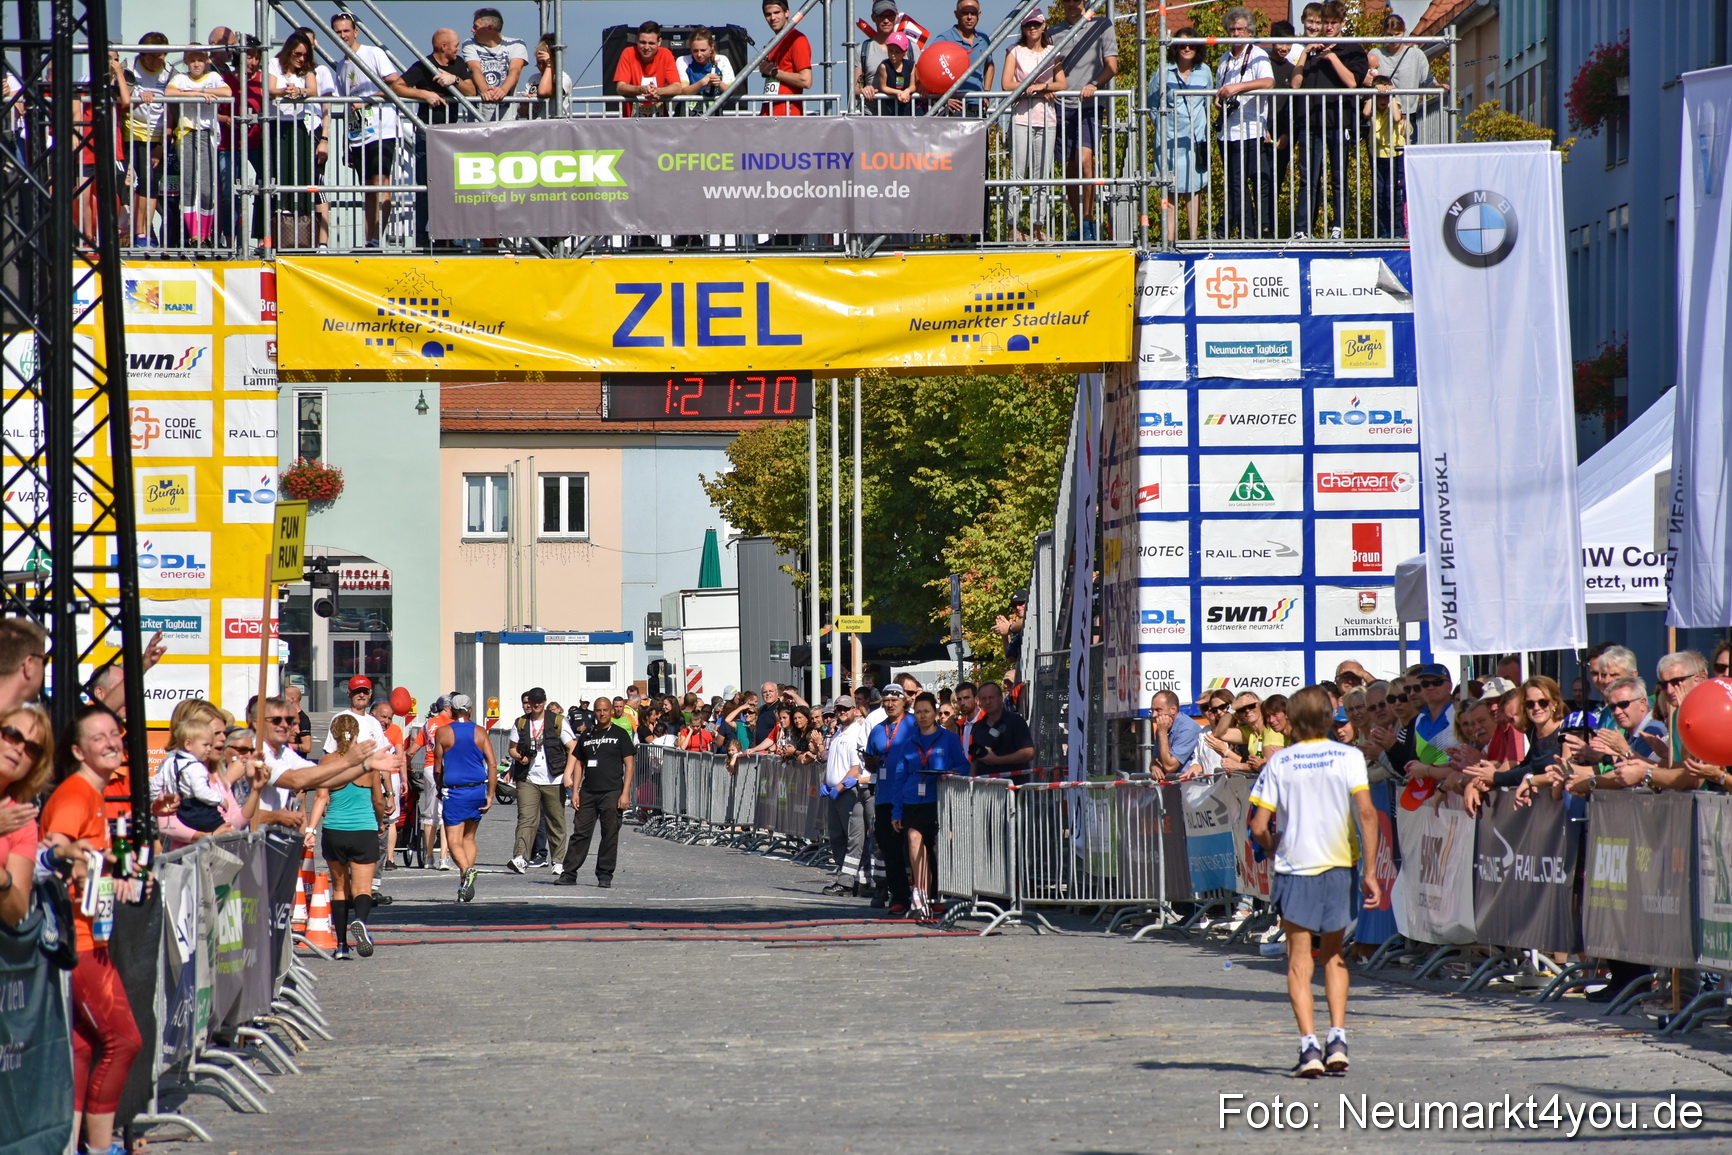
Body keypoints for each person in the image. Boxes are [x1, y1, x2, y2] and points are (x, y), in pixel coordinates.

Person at [1247, 686, 1381, 1078]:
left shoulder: (1280, 762)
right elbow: (1368, 813)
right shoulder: (1349, 756)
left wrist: (1273, 846)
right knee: (1335, 955)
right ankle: (1337, 1038)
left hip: (1296, 866)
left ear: (1292, 719)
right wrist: (1371, 871)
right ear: (1328, 717)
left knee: (1299, 960)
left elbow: (1257, 826)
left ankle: (1309, 1047)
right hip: (1339, 864)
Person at [41, 706, 146, 1155]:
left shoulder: (94, 795)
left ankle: (73, 1144)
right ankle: (99, 1150)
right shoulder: (75, 793)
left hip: (92, 936)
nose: (111, 742)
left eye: (114, 734)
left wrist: (111, 871)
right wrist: (87, 862)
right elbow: (56, 847)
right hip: (76, 942)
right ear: (77, 750)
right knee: (124, 1040)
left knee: (84, 1048)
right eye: (98, 737)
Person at [311, 715, 388, 958]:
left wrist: (310, 828)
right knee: (363, 887)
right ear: (357, 734)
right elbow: (378, 799)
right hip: (363, 829)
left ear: (333, 735)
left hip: (334, 829)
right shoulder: (368, 762)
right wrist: (381, 822)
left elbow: (321, 797)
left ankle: (341, 946)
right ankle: (362, 922)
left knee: (339, 889)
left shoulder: (326, 761)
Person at [1290, 0, 1368, 238]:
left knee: (1338, 176)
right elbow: (1295, 84)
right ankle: (1303, 229)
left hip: (1339, 122)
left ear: (1343, 23)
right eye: (1325, 22)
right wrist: (1305, 53)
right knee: (1308, 179)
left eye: (1333, 22)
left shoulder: (1353, 49)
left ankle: (1338, 227)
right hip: (1311, 122)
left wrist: (1332, 57)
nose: (1328, 27)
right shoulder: (1312, 48)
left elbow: (1352, 81)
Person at [330, 12, 402, 249]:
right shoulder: (341, 65)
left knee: (381, 181)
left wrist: (369, 100)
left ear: (355, 32)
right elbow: (345, 104)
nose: (343, 36)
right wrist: (345, 145)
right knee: (367, 188)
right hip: (357, 133)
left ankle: (376, 238)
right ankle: (369, 240)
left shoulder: (373, 53)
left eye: (346, 31)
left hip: (381, 128)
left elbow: (395, 82)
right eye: (338, 32)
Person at [893, 692, 967, 920]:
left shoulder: (949, 739)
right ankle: (921, 892)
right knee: (915, 841)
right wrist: (896, 810)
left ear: (935, 714)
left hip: (937, 800)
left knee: (925, 844)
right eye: (918, 712)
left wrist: (953, 773)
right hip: (912, 800)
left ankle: (927, 894)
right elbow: (899, 776)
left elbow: (964, 765)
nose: (923, 716)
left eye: (927, 711)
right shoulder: (908, 741)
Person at [1051, 0, 1116, 239]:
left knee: (1085, 161)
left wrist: (1094, 84)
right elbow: (1049, 68)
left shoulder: (1102, 25)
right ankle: (1079, 225)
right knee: (1070, 168)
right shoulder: (1053, 32)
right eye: (1067, 0)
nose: (1071, 5)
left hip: (1089, 105)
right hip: (1061, 106)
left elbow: (1112, 66)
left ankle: (1088, 220)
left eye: (1076, 0)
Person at [400, 29, 471, 249]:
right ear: (444, 47)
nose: (458, 49)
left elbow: (471, 90)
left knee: (450, 186)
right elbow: (397, 86)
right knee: (425, 184)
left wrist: (455, 79)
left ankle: (446, 237)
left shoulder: (458, 64)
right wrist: (425, 94)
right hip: (427, 131)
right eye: (456, 45)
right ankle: (422, 237)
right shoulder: (423, 64)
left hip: (451, 135)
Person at [556, 696, 634, 888]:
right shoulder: (588, 735)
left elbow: (630, 765)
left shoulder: (620, 734)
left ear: (611, 711)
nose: (602, 713)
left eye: (605, 710)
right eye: (598, 710)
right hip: (588, 792)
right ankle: (569, 873)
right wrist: (575, 791)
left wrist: (625, 793)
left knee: (609, 834)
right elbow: (579, 763)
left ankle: (605, 875)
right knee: (580, 833)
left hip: (612, 791)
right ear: (594, 711)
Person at [1003, 12, 1065, 243]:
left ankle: (1038, 226)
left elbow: (1062, 83)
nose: (1032, 28)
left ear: (1043, 25)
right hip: (1021, 118)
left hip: (1047, 119)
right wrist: (1035, 87)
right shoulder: (1014, 51)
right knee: (1017, 175)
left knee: (1042, 176)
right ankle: (1012, 226)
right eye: (1028, 25)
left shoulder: (1053, 52)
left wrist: (1040, 87)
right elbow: (1007, 82)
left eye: (1036, 24)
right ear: (1023, 27)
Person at [1214, 7, 1275, 240]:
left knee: (1248, 183)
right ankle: (1244, 232)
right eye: (1232, 30)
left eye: (1240, 29)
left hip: (1250, 129)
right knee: (1234, 184)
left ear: (1249, 31)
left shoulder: (1258, 54)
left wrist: (1237, 88)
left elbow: (1269, 82)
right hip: (1228, 131)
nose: (1236, 34)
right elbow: (1221, 89)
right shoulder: (1225, 58)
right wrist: (1218, 99)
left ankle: (1243, 232)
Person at [166, 49, 230, 245]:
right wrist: (194, 93)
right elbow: (169, 92)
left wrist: (202, 92)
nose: (196, 64)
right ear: (186, 61)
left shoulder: (212, 77)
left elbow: (227, 92)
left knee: (207, 187)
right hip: (186, 133)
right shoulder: (181, 79)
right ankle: (194, 235)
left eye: (200, 60)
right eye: (192, 60)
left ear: (206, 61)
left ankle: (205, 234)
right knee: (188, 185)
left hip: (207, 134)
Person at [435, 694, 494, 902]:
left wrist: (439, 787)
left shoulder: (443, 732)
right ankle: (463, 886)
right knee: (469, 838)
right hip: (477, 790)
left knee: (453, 841)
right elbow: (492, 764)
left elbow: (437, 767)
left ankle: (467, 870)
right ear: (470, 710)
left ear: (451, 710)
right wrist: (491, 794)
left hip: (455, 790)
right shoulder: (480, 732)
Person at [1154, 27, 1211, 242]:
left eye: (1192, 43)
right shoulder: (1163, 71)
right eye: (1182, 44)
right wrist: (1164, 128)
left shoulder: (1204, 71)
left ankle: (1193, 240)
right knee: (1169, 189)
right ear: (1175, 47)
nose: (1187, 48)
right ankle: (1169, 242)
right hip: (1169, 140)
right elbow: (1152, 105)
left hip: (1195, 141)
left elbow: (1207, 104)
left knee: (1193, 189)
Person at [267, 32, 322, 249]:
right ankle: (277, 230)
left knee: (302, 174)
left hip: (299, 125)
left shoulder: (307, 69)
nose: (301, 59)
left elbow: (313, 90)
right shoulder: (273, 63)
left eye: (304, 55)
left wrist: (299, 90)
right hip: (278, 124)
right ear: (288, 51)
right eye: (297, 54)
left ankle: (304, 230)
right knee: (278, 173)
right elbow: (270, 89)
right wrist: (284, 90)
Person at [0, 705, 53, 929]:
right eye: (13, 735)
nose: (20, 748)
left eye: (32, 748)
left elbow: (16, 912)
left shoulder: (21, 821)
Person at [508, 688, 571, 874]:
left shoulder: (558, 721)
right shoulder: (521, 723)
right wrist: (519, 757)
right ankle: (520, 857)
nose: (535, 705)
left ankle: (558, 861)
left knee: (555, 821)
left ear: (544, 701)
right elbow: (512, 748)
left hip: (554, 778)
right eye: (531, 701)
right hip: (528, 778)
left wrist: (568, 774)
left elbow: (572, 746)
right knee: (526, 819)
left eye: (538, 701)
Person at [864, 683, 915, 911]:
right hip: (885, 796)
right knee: (889, 848)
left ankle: (922, 893)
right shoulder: (877, 730)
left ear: (904, 701)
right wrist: (870, 763)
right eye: (886, 700)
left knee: (915, 848)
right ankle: (899, 897)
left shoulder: (914, 724)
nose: (890, 704)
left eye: (895, 700)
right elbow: (870, 762)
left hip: (912, 796)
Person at [124, 32, 174, 247]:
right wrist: (138, 100)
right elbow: (122, 102)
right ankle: (140, 234)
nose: (156, 60)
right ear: (142, 54)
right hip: (133, 132)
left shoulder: (171, 72)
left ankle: (145, 233)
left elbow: (173, 112)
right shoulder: (130, 67)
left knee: (152, 183)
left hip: (159, 135)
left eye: (161, 55)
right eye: (152, 56)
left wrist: (162, 145)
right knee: (143, 181)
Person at [821, 695, 873, 897]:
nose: (842, 712)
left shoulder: (856, 734)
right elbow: (833, 763)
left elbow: (855, 768)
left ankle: (848, 882)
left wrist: (840, 787)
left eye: (845, 708)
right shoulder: (838, 734)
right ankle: (851, 878)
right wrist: (826, 783)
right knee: (837, 838)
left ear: (854, 710)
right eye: (838, 709)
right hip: (836, 793)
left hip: (849, 793)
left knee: (854, 839)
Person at [1361, 74, 1408, 238]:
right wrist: (1374, 93)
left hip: (1395, 154)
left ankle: (1397, 230)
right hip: (1377, 155)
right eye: (1380, 96)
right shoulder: (1372, 103)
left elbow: (1396, 117)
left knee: (1394, 193)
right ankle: (1382, 230)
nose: (1383, 99)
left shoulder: (1394, 104)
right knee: (1379, 194)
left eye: (1385, 97)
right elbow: (1366, 112)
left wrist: (1392, 95)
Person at [461, 6, 528, 120]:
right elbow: (474, 68)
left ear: (489, 28)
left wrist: (503, 90)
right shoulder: (469, 44)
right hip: (478, 121)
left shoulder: (517, 44)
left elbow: (515, 70)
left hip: (507, 121)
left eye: (475, 26)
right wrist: (485, 90)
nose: (472, 30)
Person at [929, 1, 994, 115]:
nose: (969, 17)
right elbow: (928, 69)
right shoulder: (944, 38)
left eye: (973, 13)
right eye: (965, 13)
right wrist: (942, 99)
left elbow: (990, 65)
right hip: (954, 109)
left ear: (979, 14)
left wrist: (986, 93)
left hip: (977, 106)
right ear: (956, 14)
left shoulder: (984, 39)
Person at [968, 681, 1035, 778]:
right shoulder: (978, 727)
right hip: (985, 790)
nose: (988, 702)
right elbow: (975, 761)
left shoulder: (1016, 721)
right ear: (979, 701)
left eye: (991, 697)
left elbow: (1029, 753)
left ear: (1000, 698)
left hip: (1012, 788)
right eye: (984, 699)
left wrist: (997, 760)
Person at [758, 1, 813, 117]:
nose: (773, 18)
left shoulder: (798, 40)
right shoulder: (772, 43)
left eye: (777, 12)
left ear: (787, 13)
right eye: (768, 14)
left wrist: (773, 72)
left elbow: (806, 80)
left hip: (787, 117)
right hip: (768, 114)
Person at [614, 21, 679, 116]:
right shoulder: (628, 53)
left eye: (651, 43)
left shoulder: (666, 54)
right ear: (636, 40)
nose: (646, 47)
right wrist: (641, 89)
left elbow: (677, 87)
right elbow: (620, 87)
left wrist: (658, 91)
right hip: (632, 122)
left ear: (659, 42)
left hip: (659, 122)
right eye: (642, 42)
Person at [674, 27, 735, 114]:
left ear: (711, 47)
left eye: (703, 50)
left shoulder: (722, 60)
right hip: (687, 116)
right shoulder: (683, 61)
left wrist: (719, 84)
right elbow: (683, 91)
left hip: (714, 116)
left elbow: (732, 91)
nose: (699, 55)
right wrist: (702, 83)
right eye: (695, 51)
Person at [858, 1, 901, 107]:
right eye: (881, 16)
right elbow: (854, 89)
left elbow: (920, 84)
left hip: (904, 118)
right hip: (872, 119)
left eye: (890, 16)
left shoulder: (911, 48)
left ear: (896, 17)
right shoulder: (862, 50)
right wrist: (864, 90)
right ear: (873, 18)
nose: (886, 20)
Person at [1150, 690, 1201, 780]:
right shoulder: (1163, 727)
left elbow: (1170, 767)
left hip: (1191, 785)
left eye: (1158, 710)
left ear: (1173, 709)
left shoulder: (1188, 728)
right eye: (1152, 710)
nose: (1154, 715)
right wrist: (1154, 766)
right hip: (1174, 786)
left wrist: (1162, 733)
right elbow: (1155, 759)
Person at [874, 32, 917, 115]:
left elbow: (913, 86)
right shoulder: (884, 66)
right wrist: (898, 92)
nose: (893, 55)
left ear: (904, 52)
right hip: (891, 108)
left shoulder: (910, 65)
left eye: (897, 52)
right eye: (890, 51)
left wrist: (907, 91)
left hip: (909, 107)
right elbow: (883, 87)